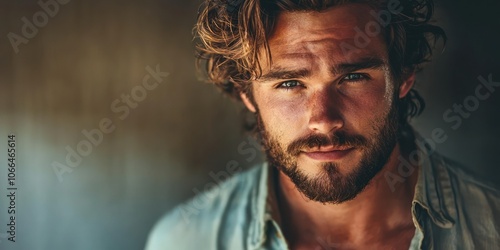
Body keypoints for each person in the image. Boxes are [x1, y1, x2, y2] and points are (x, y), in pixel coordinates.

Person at [146, 0, 500, 249]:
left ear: (404, 76)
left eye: (354, 77)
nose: (323, 120)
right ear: (246, 93)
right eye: (289, 84)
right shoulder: (185, 240)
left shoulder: (491, 229)